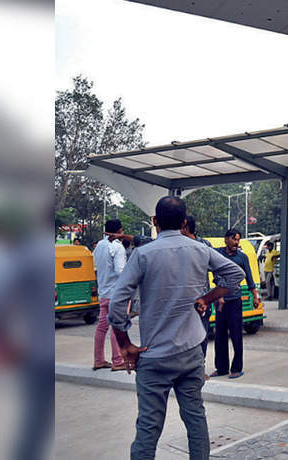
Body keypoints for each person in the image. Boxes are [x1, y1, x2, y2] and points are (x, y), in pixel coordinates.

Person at [108, 196, 245, 460]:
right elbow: (235, 275)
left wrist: (125, 344)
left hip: (154, 356)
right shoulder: (200, 249)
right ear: (184, 223)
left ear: (155, 222)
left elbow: (117, 304)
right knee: (195, 419)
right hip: (192, 352)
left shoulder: (143, 254)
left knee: (148, 428)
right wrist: (208, 298)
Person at [210, 228, 259, 380]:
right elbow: (214, 273)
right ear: (226, 239)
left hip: (235, 300)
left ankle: (237, 368)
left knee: (236, 335)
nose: (236, 243)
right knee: (220, 335)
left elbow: (249, 278)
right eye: (233, 239)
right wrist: (220, 292)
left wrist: (255, 296)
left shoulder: (242, 257)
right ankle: (221, 367)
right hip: (220, 301)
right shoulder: (217, 254)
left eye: (238, 240)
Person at [93, 219, 128, 371]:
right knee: (117, 326)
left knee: (102, 327)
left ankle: (99, 360)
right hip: (117, 293)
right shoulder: (117, 247)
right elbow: (120, 271)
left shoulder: (99, 246)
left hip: (103, 292)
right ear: (119, 231)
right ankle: (118, 361)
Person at [181, 216, 213, 359]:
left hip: (201, 301)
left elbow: (219, 269)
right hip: (187, 299)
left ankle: (200, 367)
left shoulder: (203, 245)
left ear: (185, 227)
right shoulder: (181, 245)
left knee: (201, 335)